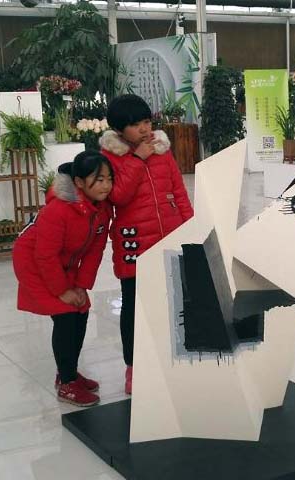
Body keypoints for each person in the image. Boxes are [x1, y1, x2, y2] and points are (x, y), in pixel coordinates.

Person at [100, 94, 194, 395]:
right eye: (135, 125)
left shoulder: (162, 150)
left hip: (169, 237)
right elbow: (119, 196)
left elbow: (179, 191)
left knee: (174, 303)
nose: (144, 129)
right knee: (134, 308)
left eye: (146, 122)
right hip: (135, 244)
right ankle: (134, 367)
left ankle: (172, 359)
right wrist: (138, 159)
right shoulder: (111, 157)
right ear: (118, 130)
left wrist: (191, 229)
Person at [13, 151, 113, 407]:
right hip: (34, 263)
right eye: (98, 179)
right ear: (79, 182)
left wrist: (80, 286)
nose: (106, 185)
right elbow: (44, 256)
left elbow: (95, 251)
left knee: (81, 310)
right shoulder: (57, 210)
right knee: (66, 315)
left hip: (63, 264)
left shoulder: (102, 210)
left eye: (108, 179)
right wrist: (62, 291)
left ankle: (68, 372)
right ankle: (67, 384)